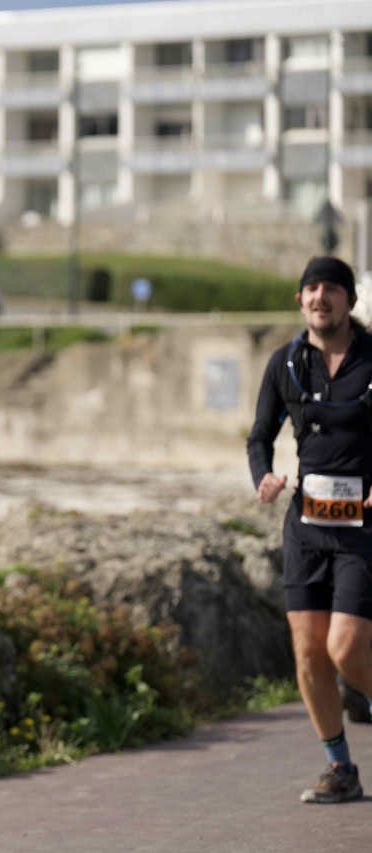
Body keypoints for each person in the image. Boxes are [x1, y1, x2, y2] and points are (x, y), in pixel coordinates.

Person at [247, 255, 372, 804]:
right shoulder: (286, 363)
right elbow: (259, 436)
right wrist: (264, 476)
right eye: (312, 288)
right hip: (306, 526)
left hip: (363, 528)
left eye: (332, 288)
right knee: (308, 653)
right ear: (300, 300)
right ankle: (340, 768)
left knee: (345, 649)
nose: (321, 297)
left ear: (349, 300)